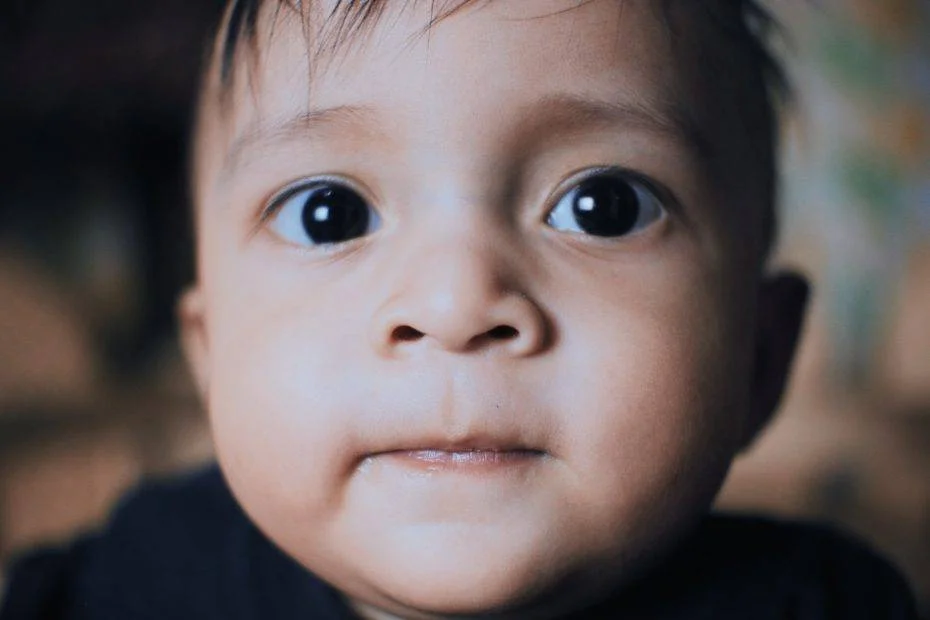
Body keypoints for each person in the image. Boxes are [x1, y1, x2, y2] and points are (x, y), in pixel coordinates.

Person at [0, 1, 920, 618]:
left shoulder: (821, 603)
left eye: (601, 206)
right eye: (331, 213)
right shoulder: (145, 579)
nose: (455, 305)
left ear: (759, 360)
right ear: (210, 359)